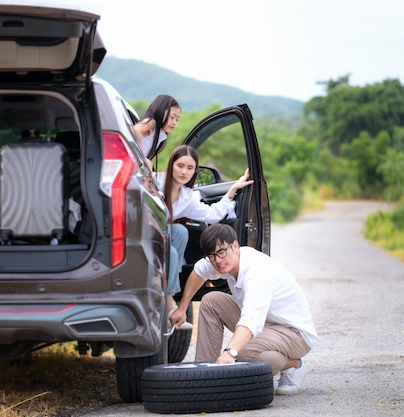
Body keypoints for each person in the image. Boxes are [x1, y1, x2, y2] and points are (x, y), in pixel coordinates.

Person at [170, 223, 318, 395]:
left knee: (244, 352)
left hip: (294, 333)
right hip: (266, 325)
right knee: (211, 301)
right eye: (212, 255)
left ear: (235, 246)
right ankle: (204, 373)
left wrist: (229, 353)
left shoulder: (257, 273)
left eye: (221, 252)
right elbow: (198, 272)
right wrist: (181, 308)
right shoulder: (223, 260)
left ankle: (294, 365)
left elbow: (250, 321)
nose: (217, 260)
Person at [156, 145, 253, 329]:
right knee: (173, 253)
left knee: (180, 231)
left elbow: (212, 215)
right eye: (180, 165)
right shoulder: (154, 182)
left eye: (190, 168)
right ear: (171, 165)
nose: (184, 171)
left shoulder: (187, 197)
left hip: (160, 240)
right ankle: (170, 305)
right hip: (142, 235)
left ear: (195, 171)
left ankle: (166, 288)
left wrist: (232, 190)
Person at [133, 94, 181, 170]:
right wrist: (142, 158)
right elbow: (136, 130)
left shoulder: (161, 134)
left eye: (177, 119)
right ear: (160, 111)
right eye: (172, 117)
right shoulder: (151, 123)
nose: (174, 122)